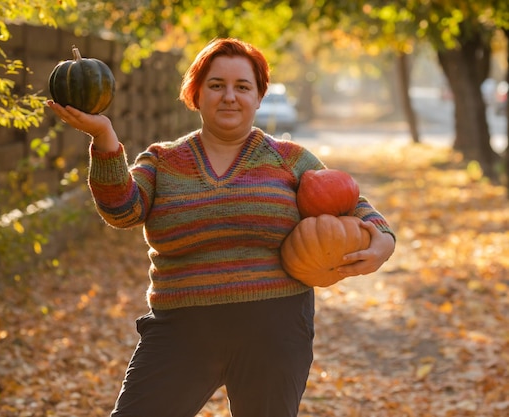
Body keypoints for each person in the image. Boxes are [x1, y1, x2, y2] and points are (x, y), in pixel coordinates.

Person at [47, 38, 395, 417]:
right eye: (216, 85)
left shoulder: (289, 160)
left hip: (274, 332)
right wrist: (104, 137)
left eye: (242, 87)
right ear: (196, 94)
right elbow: (122, 210)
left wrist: (383, 239)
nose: (230, 96)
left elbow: (350, 202)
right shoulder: (163, 161)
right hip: (181, 331)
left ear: (259, 96)